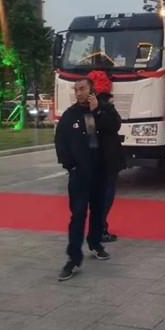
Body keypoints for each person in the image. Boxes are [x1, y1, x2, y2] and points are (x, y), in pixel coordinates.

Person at [55, 77, 111, 282]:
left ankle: (95, 243)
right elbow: (60, 141)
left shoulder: (104, 109)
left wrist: (98, 111)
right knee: (78, 214)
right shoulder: (70, 115)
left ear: (91, 90)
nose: (79, 93)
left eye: (82, 89)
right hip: (79, 173)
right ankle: (73, 258)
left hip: (100, 171)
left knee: (98, 210)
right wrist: (70, 165)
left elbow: (113, 127)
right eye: (76, 89)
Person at [87, 71, 125, 243]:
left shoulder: (98, 107)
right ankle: (100, 228)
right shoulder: (101, 108)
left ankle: (100, 226)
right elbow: (114, 125)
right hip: (106, 158)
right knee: (105, 194)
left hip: (102, 156)